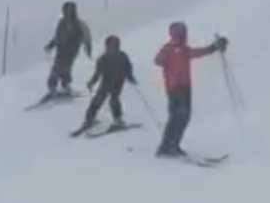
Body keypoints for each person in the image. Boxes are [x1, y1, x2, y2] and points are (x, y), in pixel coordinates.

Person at [153, 22, 227, 158]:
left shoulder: (184, 49)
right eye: (181, 33)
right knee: (177, 116)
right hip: (174, 88)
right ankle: (166, 147)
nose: (183, 36)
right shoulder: (168, 49)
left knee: (184, 117)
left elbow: (199, 52)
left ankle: (173, 145)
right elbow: (157, 61)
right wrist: (166, 53)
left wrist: (214, 47)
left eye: (183, 33)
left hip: (185, 87)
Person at [71, 35, 137, 134]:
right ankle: (89, 120)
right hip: (107, 83)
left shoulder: (122, 56)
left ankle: (118, 119)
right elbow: (98, 73)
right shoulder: (103, 59)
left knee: (114, 100)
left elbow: (128, 67)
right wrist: (92, 82)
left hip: (118, 82)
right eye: (110, 47)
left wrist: (131, 77)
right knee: (97, 100)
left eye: (115, 47)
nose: (112, 49)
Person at [42, 0, 92, 98]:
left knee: (62, 67)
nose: (66, 13)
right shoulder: (62, 23)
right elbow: (58, 37)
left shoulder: (79, 24)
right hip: (62, 50)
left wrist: (88, 48)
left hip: (71, 50)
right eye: (65, 11)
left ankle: (63, 85)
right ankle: (57, 86)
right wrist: (51, 45)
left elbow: (87, 36)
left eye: (68, 11)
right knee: (60, 67)